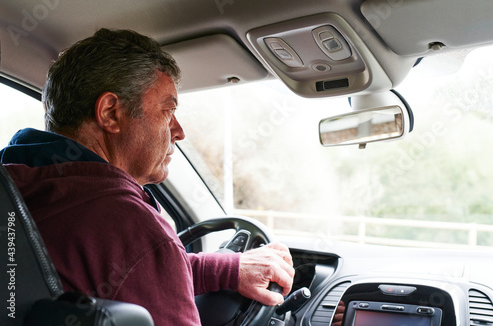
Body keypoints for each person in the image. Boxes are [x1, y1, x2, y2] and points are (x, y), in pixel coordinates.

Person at [0, 28, 294, 325]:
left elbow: (128, 269)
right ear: (110, 113)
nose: (178, 131)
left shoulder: (16, 191)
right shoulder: (127, 223)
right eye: (168, 110)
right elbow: (140, 256)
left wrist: (227, 270)